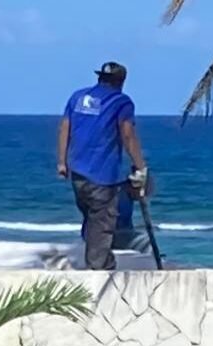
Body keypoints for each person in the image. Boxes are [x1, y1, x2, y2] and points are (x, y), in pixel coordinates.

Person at [57, 61, 148, 270]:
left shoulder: (78, 97)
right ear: (121, 82)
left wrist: (62, 162)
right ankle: (100, 268)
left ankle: (93, 260)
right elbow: (127, 134)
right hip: (103, 175)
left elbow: (65, 128)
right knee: (102, 221)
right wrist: (140, 166)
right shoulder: (120, 101)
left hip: (78, 172)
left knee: (91, 219)